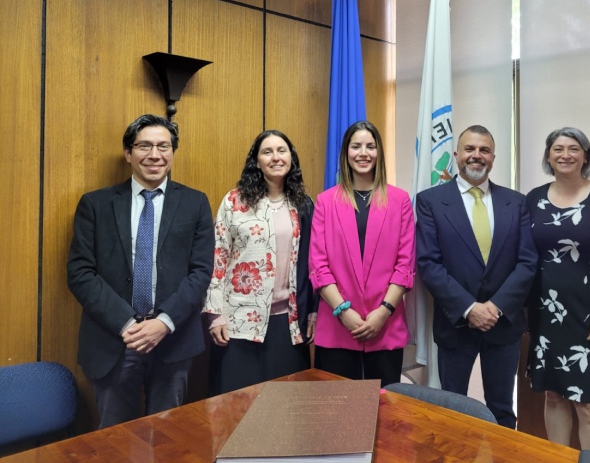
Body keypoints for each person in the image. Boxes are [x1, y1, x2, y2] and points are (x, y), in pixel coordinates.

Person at [67, 114, 214, 428]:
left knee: (167, 440)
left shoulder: (195, 203)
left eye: (163, 146)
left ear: (172, 153)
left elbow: (201, 272)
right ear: (128, 153)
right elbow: (81, 272)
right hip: (115, 342)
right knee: (113, 441)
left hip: (172, 343)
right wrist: (126, 324)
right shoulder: (95, 205)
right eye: (144, 146)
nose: (154, 155)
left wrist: (163, 322)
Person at [415, 125, 538, 429]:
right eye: (470, 149)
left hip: (503, 324)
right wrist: (470, 309)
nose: (476, 156)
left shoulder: (517, 202)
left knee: (503, 411)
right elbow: (429, 263)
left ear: (493, 158)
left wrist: (494, 308)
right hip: (456, 324)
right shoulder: (430, 201)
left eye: (484, 150)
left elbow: (527, 263)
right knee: (452, 413)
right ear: (456, 155)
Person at [525, 127, 590, 451]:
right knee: (553, 395)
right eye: (557, 149)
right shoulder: (534, 199)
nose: (565, 155)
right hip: (545, 315)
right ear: (548, 156)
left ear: (585, 155)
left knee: (588, 404)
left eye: (573, 148)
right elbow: (524, 257)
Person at [204, 130, 315, 395]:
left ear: (291, 157)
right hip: (239, 321)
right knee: (236, 406)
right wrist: (215, 314)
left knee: (286, 408)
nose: (275, 157)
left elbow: (312, 263)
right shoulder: (234, 201)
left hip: (288, 323)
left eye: (282, 150)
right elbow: (218, 257)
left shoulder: (303, 204)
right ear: (256, 161)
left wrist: (314, 311)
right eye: (267, 152)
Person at [309, 121, 415, 387]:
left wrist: (383, 312)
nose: (363, 153)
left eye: (370, 146)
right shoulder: (325, 201)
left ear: (379, 152)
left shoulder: (400, 200)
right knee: (338, 414)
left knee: (387, 412)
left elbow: (405, 265)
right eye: (356, 146)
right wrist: (344, 312)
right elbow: (319, 267)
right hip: (338, 326)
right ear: (346, 153)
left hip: (385, 326)